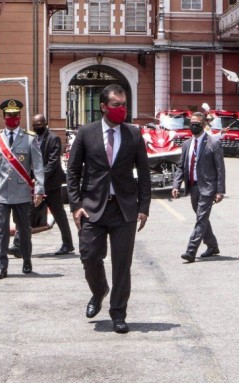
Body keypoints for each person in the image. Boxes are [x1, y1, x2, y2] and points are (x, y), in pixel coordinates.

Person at [66, 84, 151, 334]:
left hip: (124, 209)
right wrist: (76, 205)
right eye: (116, 105)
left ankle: (118, 313)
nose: (121, 109)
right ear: (103, 107)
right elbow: (73, 172)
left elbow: (144, 174)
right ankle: (99, 290)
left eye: (124, 104)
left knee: (122, 264)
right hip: (92, 208)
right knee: (89, 256)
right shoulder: (86, 133)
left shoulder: (134, 134)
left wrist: (143, 207)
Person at [0, 99, 45, 279]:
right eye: (9, 115)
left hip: (22, 193)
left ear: (19, 117)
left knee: (24, 230)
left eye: (15, 115)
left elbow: (38, 166)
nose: (12, 118)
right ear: (4, 117)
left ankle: (26, 259)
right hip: (1, 192)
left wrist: (39, 190)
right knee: (2, 231)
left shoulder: (29, 138)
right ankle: (1, 266)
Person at [10, 114, 74, 256]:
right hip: (34, 187)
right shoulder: (31, 139)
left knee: (59, 215)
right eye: (34, 125)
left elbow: (53, 163)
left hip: (51, 185)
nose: (37, 127)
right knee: (26, 214)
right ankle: (19, 245)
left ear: (45, 123)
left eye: (39, 124)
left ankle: (68, 244)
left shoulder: (53, 139)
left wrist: (40, 178)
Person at [171, 111, 226, 263]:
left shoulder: (213, 143)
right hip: (193, 187)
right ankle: (213, 246)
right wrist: (176, 185)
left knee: (201, 219)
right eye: (191, 124)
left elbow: (220, 168)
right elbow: (181, 167)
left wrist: (220, 191)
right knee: (202, 218)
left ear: (203, 125)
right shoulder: (187, 144)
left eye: (196, 124)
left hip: (208, 187)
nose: (193, 126)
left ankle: (191, 251)